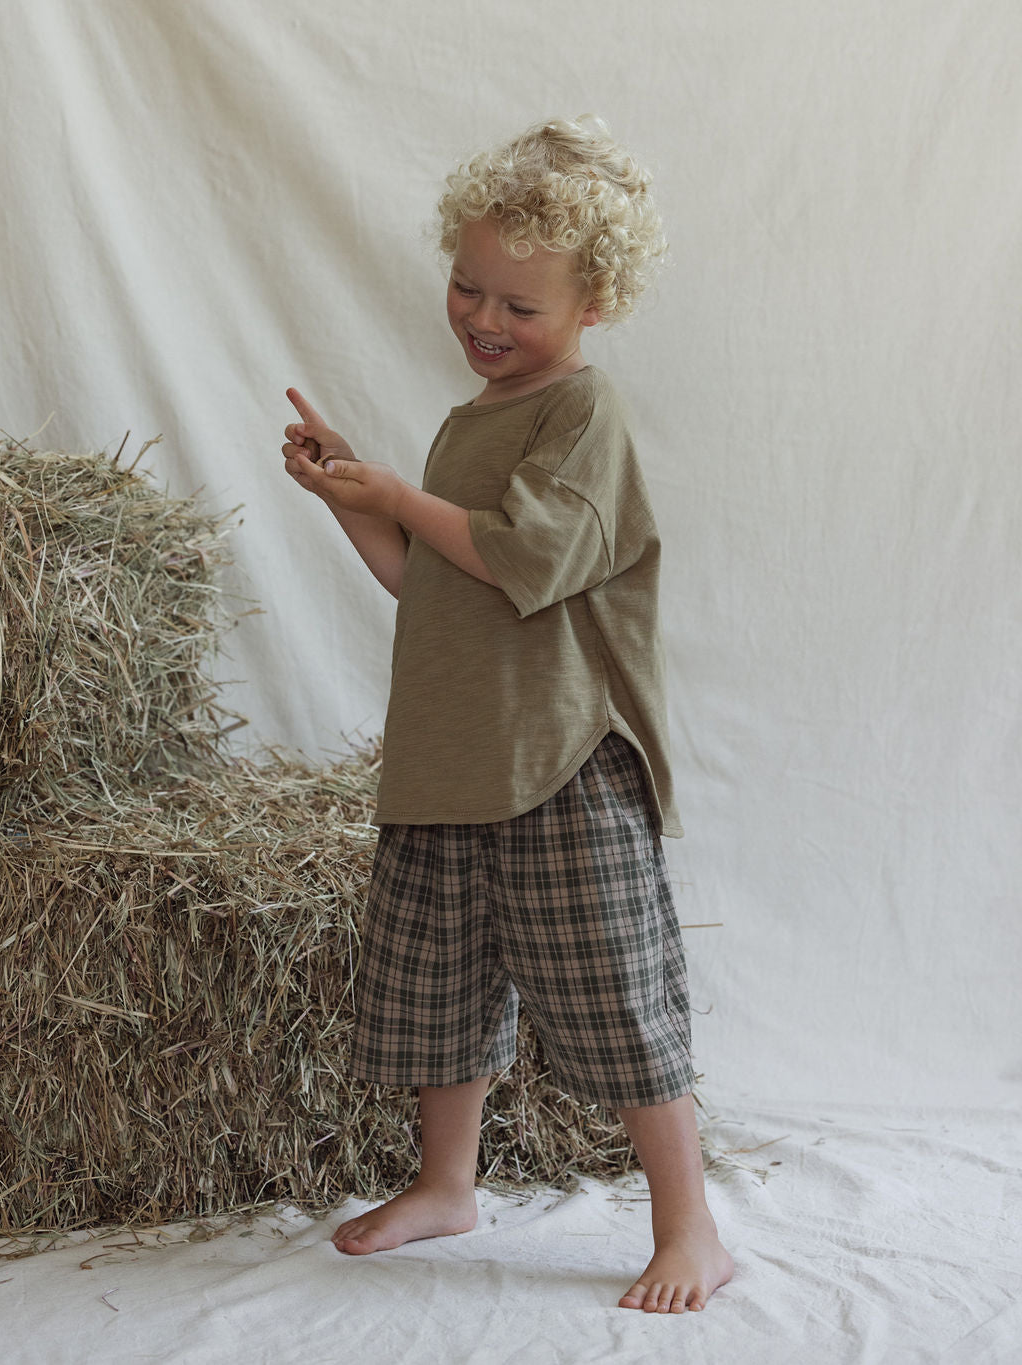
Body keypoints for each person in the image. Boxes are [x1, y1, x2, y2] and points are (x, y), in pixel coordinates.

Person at [280, 115, 733, 1314]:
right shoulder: (469, 421)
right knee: (438, 991)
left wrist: (396, 490)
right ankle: (447, 1184)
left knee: (616, 992)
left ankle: (690, 1226)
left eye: (518, 308)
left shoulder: (583, 416)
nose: (483, 320)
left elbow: (526, 556)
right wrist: (349, 493)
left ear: (594, 308)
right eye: (467, 288)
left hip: (558, 759)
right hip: (449, 759)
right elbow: (422, 574)